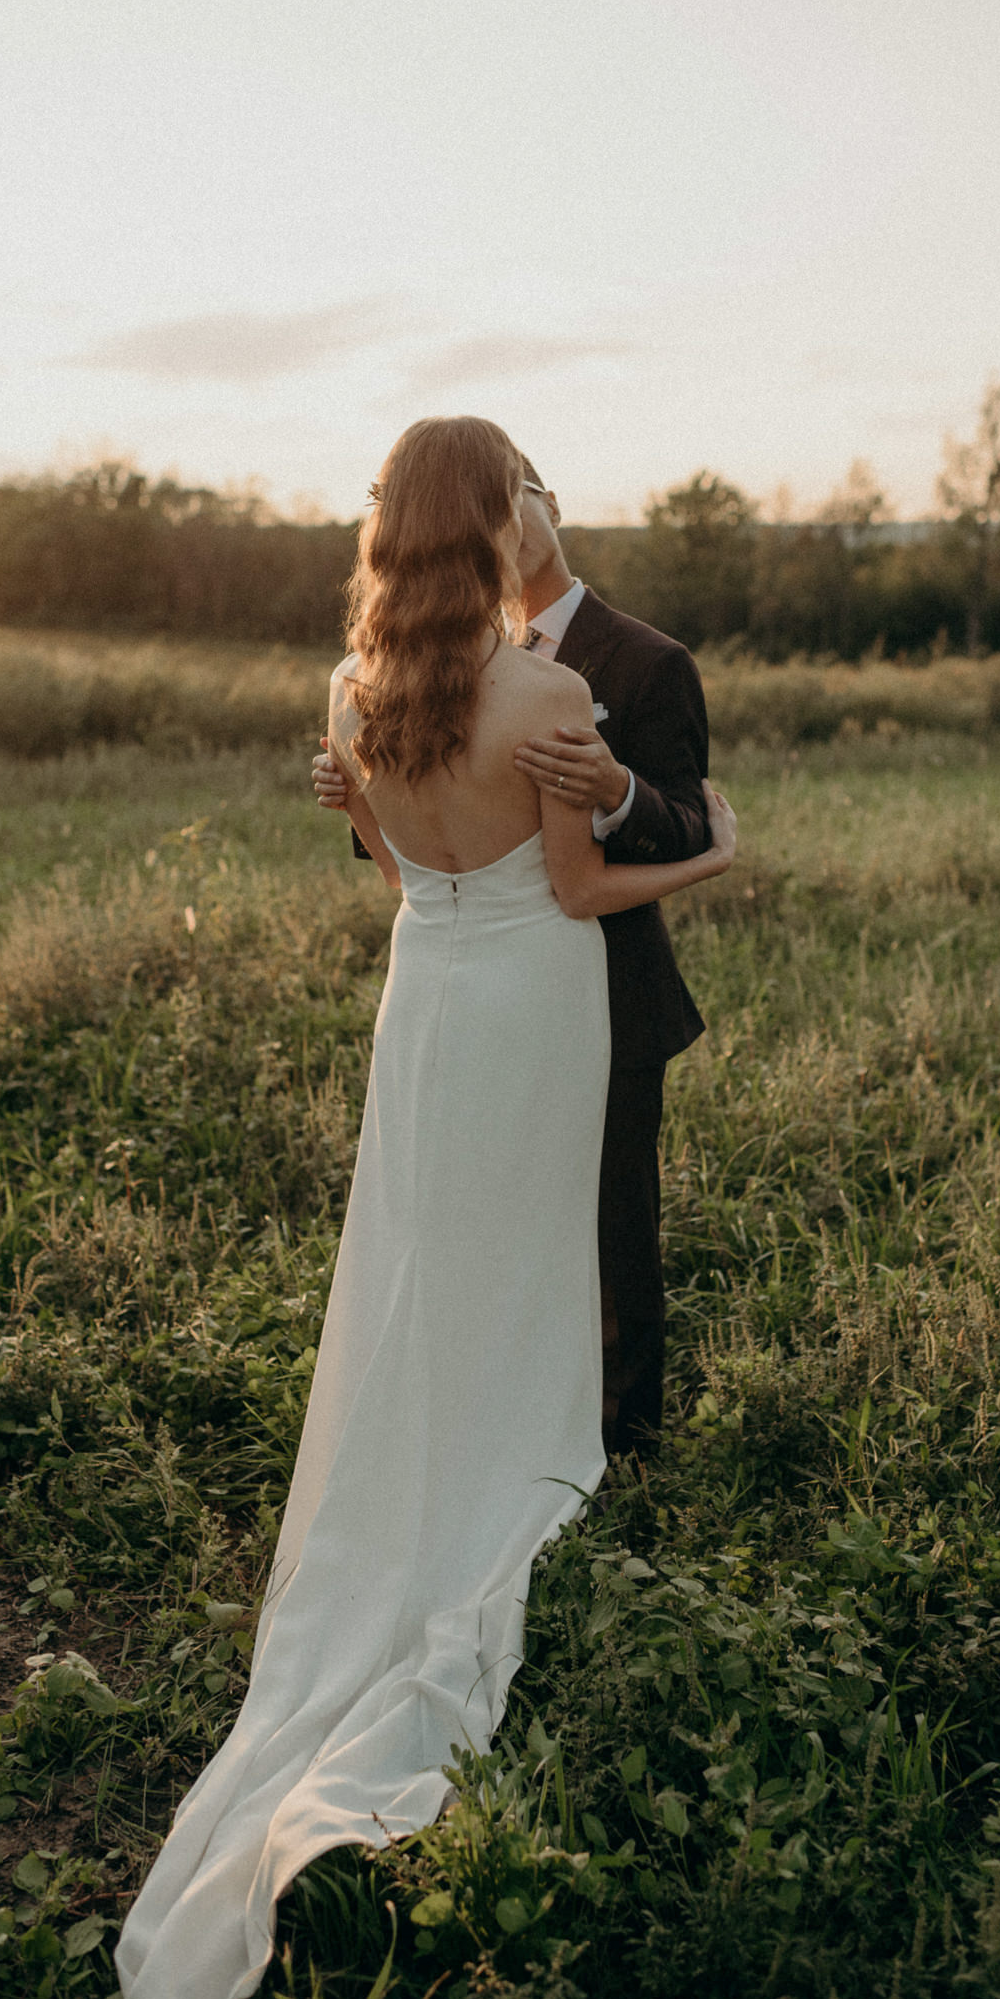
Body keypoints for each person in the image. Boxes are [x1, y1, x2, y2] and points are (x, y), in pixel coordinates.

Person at [116, 418, 736, 1999]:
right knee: (525, 1251)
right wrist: (715, 846)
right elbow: (588, 892)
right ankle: (518, 1469)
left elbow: (404, 879)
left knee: (417, 1255)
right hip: (534, 997)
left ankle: (419, 1468)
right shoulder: (544, 694)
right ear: (486, 521)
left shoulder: (348, 694)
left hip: (427, 1001)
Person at [316, 457, 712, 1458]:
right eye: (492, 493)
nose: (508, 509)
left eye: (520, 484)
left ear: (548, 502)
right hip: (494, 965)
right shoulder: (423, 663)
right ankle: (508, 1425)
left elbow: (676, 807)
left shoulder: (642, 660)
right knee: (483, 1220)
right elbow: (421, 841)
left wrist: (617, 787)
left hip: (602, 988)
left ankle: (627, 1439)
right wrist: (354, 792)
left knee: (613, 1227)